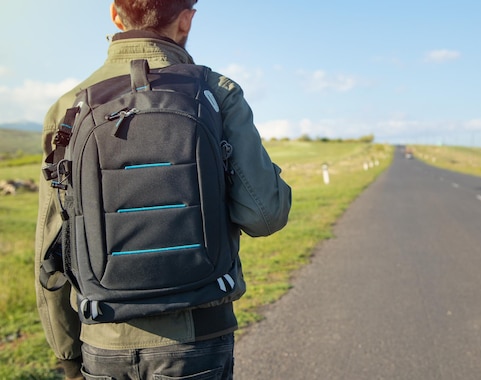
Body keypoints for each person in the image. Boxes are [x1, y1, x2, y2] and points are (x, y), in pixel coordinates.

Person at [34, 1, 292, 379]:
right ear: (186, 20)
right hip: (197, 338)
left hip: (103, 339)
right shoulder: (216, 92)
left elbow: (51, 244)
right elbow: (265, 216)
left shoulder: (69, 107)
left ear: (114, 14)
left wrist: (68, 353)